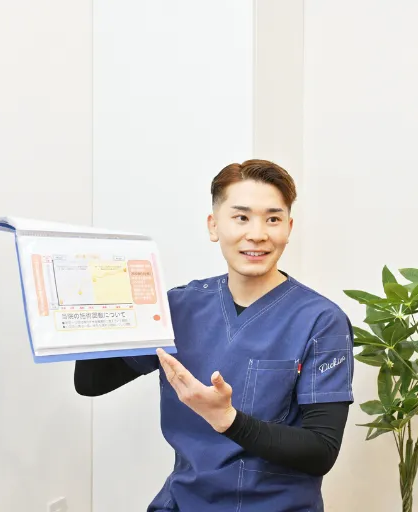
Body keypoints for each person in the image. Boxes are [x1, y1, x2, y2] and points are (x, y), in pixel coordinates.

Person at [74, 159, 355, 511]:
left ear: (288, 227)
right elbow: (91, 383)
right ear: (214, 225)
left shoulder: (321, 321)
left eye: (273, 219)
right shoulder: (178, 307)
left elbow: (321, 451)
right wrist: (92, 304)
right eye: (241, 217)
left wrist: (228, 419)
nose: (257, 234)